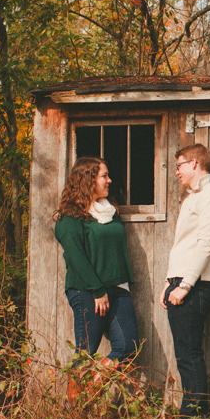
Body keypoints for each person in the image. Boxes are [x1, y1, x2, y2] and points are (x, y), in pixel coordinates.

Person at [162, 144, 210, 419]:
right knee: (184, 353)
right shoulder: (193, 198)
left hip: (196, 285)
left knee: (189, 354)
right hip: (183, 281)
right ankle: (194, 415)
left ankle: (195, 418)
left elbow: (205, 246)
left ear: (195, 164)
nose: (176, 171)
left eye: (179, 165)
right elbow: (183, 246)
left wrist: (185, 286)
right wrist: (169, 283)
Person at [54, 156, 139, 365]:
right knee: (85, 354)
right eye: (104, 176)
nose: (109, 180)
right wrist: (98, 291)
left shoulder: (111, 212)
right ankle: (76, 398)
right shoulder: (70, 218)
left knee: (129, 347)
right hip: (87, 291)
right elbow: (77, 258)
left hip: (118, 289)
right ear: (88, 180)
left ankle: (95, 386)